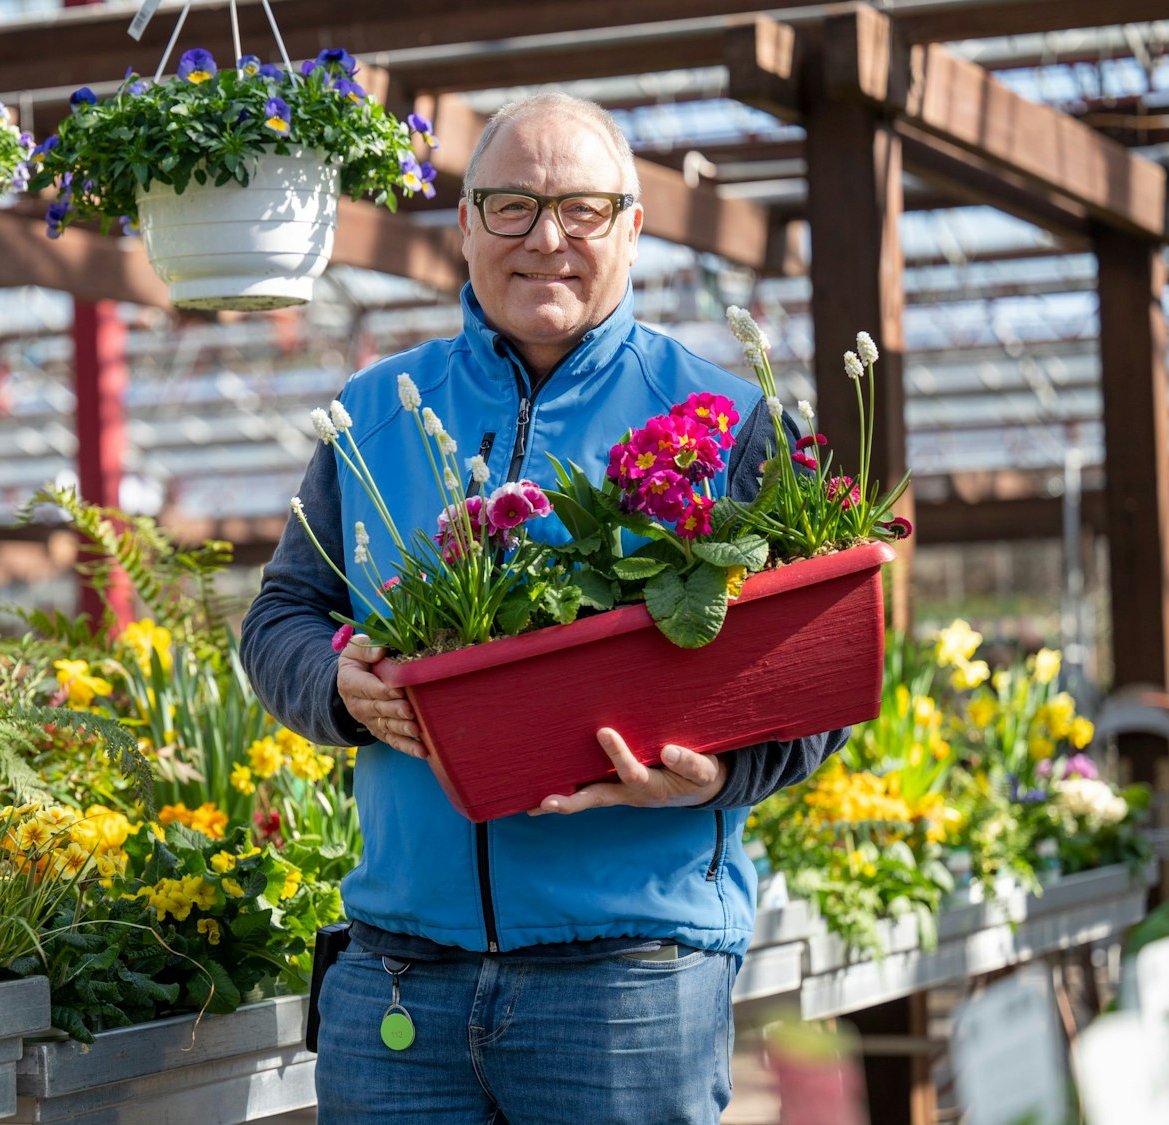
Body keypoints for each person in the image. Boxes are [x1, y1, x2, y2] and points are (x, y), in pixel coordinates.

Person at [239, 93, 850, 1123]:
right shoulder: (376, 412)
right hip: (400, 984)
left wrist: (719, 774)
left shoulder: (729, 420)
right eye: (512, 205)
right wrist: (338, 687)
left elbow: (818, 665)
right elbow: (280, 618)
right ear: (465, 223)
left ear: (632, 228)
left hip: (627, 983)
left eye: (581, 209)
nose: (546, 239)